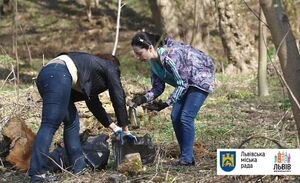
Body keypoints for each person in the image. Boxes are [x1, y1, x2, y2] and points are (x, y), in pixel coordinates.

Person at [28, 52, 135, 182]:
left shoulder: (87, 70)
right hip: (57, 75)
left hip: (47, 74)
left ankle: (79, 168)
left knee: (72, 122)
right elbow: (118, 97)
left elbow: (93, 104)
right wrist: (125, 129)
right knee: (50, 124)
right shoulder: (110, 67)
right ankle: (37, 173)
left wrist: (115, 127)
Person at [130, 32, 215, 166]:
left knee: (186, 116)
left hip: (200, 77)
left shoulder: (170, 55)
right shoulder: (153, 64)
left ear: (150, 48)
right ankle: (186, 156)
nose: (138, 57)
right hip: (186, 82)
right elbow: (158, 88)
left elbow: (182, 83)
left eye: (140, 53)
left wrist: (166, 103)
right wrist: (142, 99)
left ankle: (186, 159)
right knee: (175, 116)